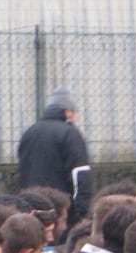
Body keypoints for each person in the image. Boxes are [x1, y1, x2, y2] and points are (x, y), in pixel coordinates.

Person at [18, 86, 93, 223]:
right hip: (61, 213)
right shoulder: (70, 134)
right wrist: (81, 213)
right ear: (68, 112)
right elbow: (80, 175)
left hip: (30, 209)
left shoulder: (29, 133)